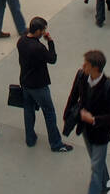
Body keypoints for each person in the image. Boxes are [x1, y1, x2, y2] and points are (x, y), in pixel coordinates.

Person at [63, 49, 110, 194]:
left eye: (86, 64)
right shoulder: (81, 76)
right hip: (86, 130)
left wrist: (94, 119)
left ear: (95, 68)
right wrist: (68, 117)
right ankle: (106, 184)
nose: (82, 67)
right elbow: (73, 95)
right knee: (96, 160)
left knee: (95, 168)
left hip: (101, 132)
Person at [17, 18, 74, 153]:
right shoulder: (38, 48)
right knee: (49, 113)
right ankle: (56, 143)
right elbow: (52, 59)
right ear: (38, 31)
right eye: (43, 30)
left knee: (28, 110)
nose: (44, 32)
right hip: (38, 85)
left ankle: (30, 138)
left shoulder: (22, 41)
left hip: (25, 82)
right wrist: (50, 42)